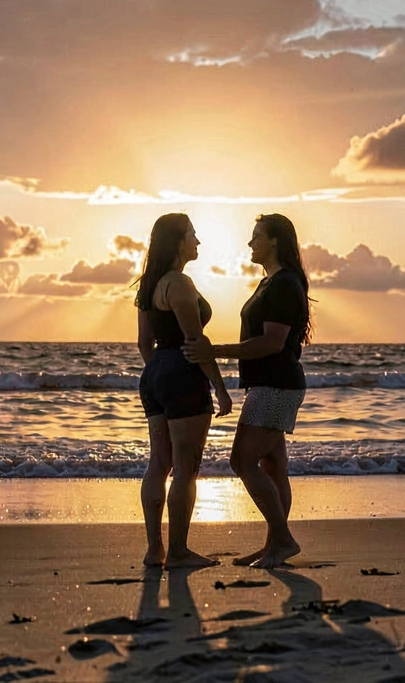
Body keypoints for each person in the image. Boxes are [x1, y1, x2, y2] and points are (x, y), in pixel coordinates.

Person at [185, 214, 311, 569]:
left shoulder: (284, 283)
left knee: (241, 460)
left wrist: (216, 351)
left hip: (276, 385)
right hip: (273, 383)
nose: (250, 243)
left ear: (274, 241)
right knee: (273, 466)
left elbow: (272, 343)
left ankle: (283, 540)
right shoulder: (271, 282)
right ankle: (274, 547)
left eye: (256, 236)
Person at [135, 213, 232, 569]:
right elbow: (196, 341)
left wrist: (160, 371)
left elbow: (144, 343)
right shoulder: (179, 283)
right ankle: (177, 551)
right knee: (187, 467)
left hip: (156, 371)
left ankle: (153, 550)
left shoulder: (148, 285)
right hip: (181, 374)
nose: (198, 241)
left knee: (158, 464)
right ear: (178, 241)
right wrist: (220, 388)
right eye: (193, 234)